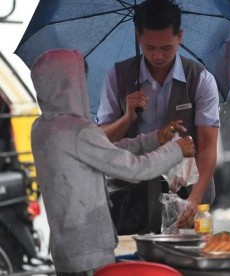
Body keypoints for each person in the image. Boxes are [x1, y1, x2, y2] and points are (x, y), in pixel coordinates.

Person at [30, 49, 196, 275]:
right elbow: (135, 169)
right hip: (89, 252)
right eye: (80, 82)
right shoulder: (77, 131)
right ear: (69, 85)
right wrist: (176, 150)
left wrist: (153, 139)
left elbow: (107, 151)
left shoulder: (43, 128)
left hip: (65, 251)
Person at [96, 0, 219, 231]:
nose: (158, 56)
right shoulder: (118, 76)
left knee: (183, 261)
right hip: (131, 191)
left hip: (186, 186)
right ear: (138, 37)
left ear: (180, 37)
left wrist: (195, 198)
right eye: (150, 47)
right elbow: (102, 141)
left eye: (166, 48)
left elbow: (208, 146)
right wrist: (127, 118)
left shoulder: (200, 79)